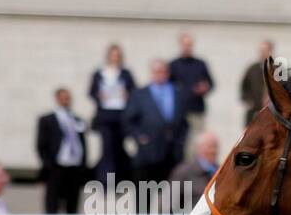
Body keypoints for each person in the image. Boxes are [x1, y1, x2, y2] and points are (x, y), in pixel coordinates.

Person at [124, 59, 189, 190]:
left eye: (163, 71)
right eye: (157, 71)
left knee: (171, 198)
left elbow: (184, 121)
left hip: (172, 154)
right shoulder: (140, 94)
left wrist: (181, 140)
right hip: (148, 154)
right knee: (143, 201)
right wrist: (139, 137)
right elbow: (128, 120)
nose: (160, 74)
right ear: (151, 73)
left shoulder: (178, 92)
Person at [35, 87, 88, 215]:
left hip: (74, 167)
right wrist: (48, 163)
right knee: (52, 203)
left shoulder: (77, 120)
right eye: (63, 98)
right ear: (57, 99)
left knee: (72, 203)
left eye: (68, 98)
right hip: (56, 167)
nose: (66, 101)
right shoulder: (48, 119)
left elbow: (82, 143)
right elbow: (41, 144)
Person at [88, 43, 135, 185]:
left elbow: (134, 91)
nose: (115, 58)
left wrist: (128, 95)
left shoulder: (125, 73)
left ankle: (121, 179)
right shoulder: (100, 73)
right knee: (107, 149)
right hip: (106, 117)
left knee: (119, 149)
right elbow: (91, 92)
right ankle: (106, 181)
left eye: (118, 56)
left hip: (121, 116)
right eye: (113, 55)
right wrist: (99, 96)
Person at [169, 33, 214, 139]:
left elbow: (211, 83)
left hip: (196, 110)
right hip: (179, 111)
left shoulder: (200, 64)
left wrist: (205, 87)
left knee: (198, 139)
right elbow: (168, 87)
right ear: (180, 45)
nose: (187, 47)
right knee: (179, 140)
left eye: (189, 45)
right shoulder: (173, 65)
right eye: (185, 44)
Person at [169, 131, 220, 209]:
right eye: (210, 146)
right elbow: (167, 203)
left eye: (215, 147)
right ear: (198, 148)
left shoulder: (222, 172)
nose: (213, 150)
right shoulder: (183, 172)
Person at [240, 41, 275, 125]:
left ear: (271, 51)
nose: (262, 53)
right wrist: (248, 100)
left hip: (273, 113)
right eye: (261, 51)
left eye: (264, 51)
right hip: (254, 111)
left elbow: (287, 88)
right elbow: (244, 86)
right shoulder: (252, 69)